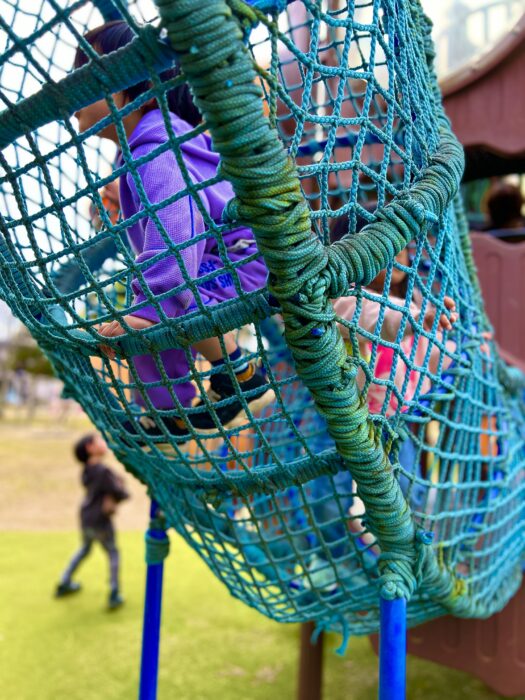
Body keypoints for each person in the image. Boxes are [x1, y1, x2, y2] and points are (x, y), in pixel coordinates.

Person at [73, 21, 273, 439]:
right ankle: (166, 411)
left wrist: (150, 307)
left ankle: (238, 370)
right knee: (148, 306)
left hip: (234, 258)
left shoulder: (153, 145)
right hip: (213, 256)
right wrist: (115, 204)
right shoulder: (145, 145)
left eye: (81, 74)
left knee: (156, 298)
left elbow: (176, 224)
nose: (69, 97)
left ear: (125, 84)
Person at [330, 217, 458, 416]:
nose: (397, 251)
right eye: (383, 244)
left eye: (402, 244)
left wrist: (460, 353)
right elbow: (379, 316)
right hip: (367, 422)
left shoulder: (413, 298)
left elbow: (430, 351)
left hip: (411, 412)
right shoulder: (346, 299)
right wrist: (418, 318)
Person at [55, 433, 130, 609]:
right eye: (99, 442)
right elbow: (120, 493)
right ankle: (114, 593)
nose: (104, 443)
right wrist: (122, 488)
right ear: (90, 448)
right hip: (101, 519)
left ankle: (64, 581)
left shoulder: (86, 471)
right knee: (112, 552)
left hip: (86, 517)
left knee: (85, 548)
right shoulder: (103, 471)